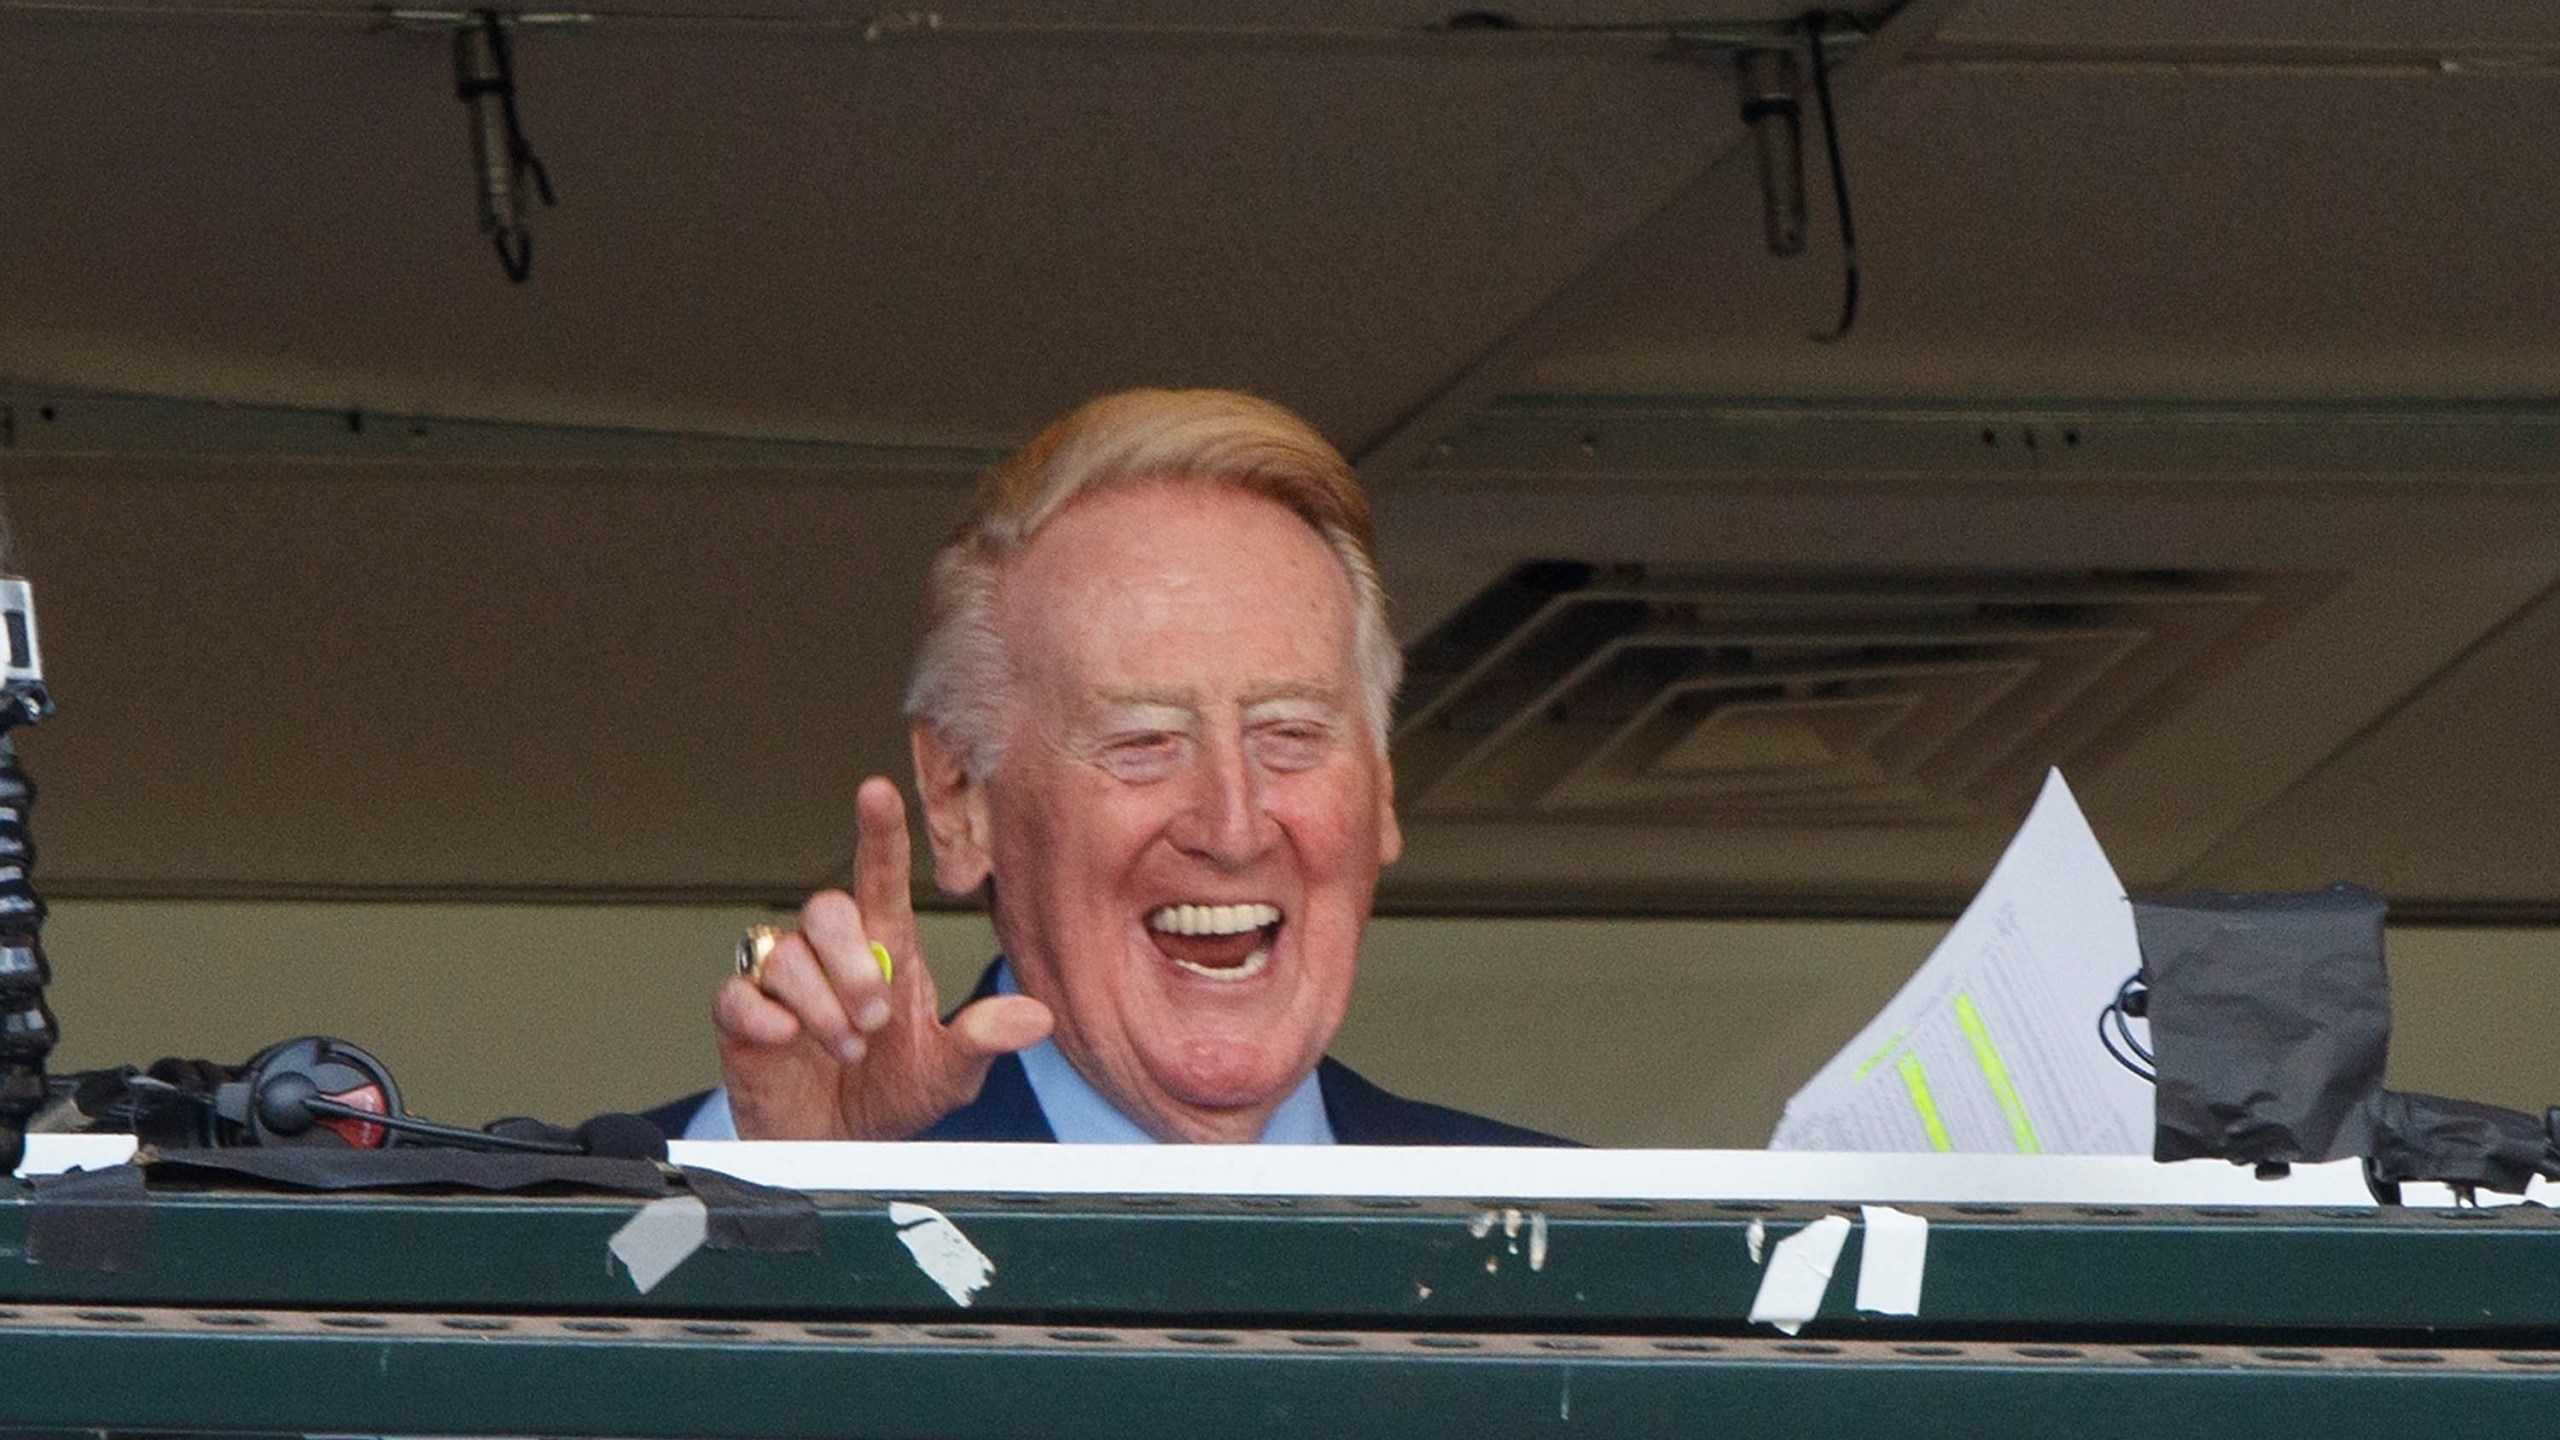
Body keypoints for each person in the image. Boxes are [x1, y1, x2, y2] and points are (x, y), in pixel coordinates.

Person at [650, 389, 1564, 1145]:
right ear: (960, 798)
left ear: (1382, 786)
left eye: (1289, 733)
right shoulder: (804, 1168)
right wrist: (772, 1197)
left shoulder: (1593, 1250)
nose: (1232, 826)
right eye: (1143, 742)